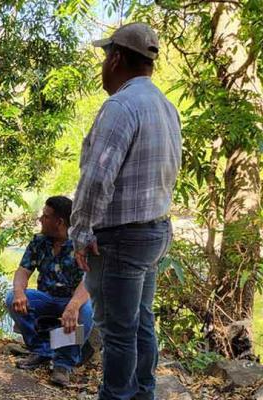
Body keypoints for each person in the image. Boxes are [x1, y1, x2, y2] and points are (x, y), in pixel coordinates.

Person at [70, 23, 182, 400]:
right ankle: (143, 394)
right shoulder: (166, 107)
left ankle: (118, 396)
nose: (103, 65)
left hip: (121, 237)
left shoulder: (120, 105)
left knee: (118, 331)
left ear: (116, 57)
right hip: (154, 232)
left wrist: (81, 233)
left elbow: (97, 178)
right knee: (141, 324)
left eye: (105, 57)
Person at [6, 196, 93, 387]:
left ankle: (63, 363)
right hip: (46, 297)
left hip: (73, 299)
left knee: (86, 312)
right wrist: (19, 291)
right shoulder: (39, 241)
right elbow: (23, 270)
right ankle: (41, 350)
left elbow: (88, 282)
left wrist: (73, 306)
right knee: (12, 297)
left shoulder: (81, 245)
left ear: (59, 222)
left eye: (45, 216)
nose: (40, 220)